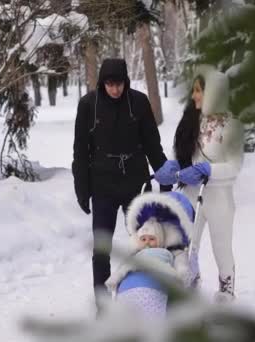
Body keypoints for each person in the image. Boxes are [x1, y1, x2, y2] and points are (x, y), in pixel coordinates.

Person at [72, 58, 172, 313]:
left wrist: (164, 175)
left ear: (125, 82)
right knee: (102, 248)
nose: (114, 89)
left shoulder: (138, 103)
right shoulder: (88, 105)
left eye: (118, 84)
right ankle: (103, 306)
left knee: (145, 242)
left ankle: (144, 296)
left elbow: (152, 143)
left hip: (135, 182)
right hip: (103, 184)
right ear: (103, 83)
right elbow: (80, 151)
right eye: (109, 84)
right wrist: (82, 188)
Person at [154, 65, 244, 302]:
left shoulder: (232, 126)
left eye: (198, 91)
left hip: (219, 198)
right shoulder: (190, 121)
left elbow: (234, 167)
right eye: (194, 90)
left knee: (220, 246)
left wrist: (208, 170)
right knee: (185, 243)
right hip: (191, 194)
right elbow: (183, 157)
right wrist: (173, 167)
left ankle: (226, 291)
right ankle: (189, 283)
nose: (194, 96)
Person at [105, 191, 197, 317]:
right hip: (129, 288)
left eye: (152, 239)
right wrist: (114, 279)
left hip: (155, 287)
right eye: (143, 239)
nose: (147, 242)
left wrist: (182, 273)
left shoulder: (169, 252)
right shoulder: (136, 253)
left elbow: (181, 263)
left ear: (159, 240)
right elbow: (123, 268)